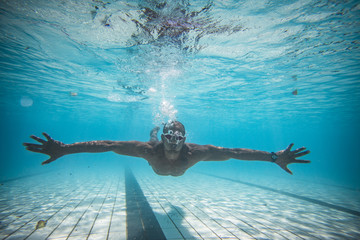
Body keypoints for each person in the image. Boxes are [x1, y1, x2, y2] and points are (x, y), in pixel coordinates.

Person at [23, 121, 310, 176]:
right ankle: (150, 130)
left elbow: (235, 151)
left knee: (148, 142)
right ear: (165, 136)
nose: (173, 139)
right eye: (168, 134)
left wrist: (274, 157)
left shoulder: (198, 152)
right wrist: (64, 149)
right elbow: (107, 145)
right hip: (152, 153)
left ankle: (151, 129)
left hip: (166, 161)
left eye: (178, 135)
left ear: (186, 139)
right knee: (147, 143)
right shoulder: (149, 150)